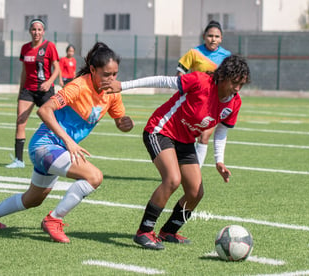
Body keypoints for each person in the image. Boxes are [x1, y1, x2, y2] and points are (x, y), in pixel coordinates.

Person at [0, 42, 135, 244]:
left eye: (115, 74)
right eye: (106, 74)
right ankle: (54, 220)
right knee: (94, 177)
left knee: (32, 199)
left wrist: (125, 124)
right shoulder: (78, 86)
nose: (112, 79)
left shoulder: (113, 93)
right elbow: (44, 110)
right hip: (45, 146)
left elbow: (120, 122)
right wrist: (69, 141)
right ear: (93, 70)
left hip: (55, 150)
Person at [102, 55, 250, 250]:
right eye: (234, 82)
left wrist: (219, 160)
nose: (237, 88)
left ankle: (168, 231)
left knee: (195, 192)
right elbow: (161, 80)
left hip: (185, 141)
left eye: (242, 84)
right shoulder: (200, 81)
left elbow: (222, 129)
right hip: (160, 131)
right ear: (222, 76)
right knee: (172, 179)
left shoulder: (234, 102)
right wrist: (124, 86)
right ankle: (144, 232)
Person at [6, 18, 60, 169]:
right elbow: (24, 71)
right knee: (20, 122)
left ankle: (57, 155)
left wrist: (49, 82)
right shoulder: (25, 48)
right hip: (28, 90)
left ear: (43, 31)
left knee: (52, 123)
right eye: (33, 29)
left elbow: (57, 68)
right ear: (30, 31)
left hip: (45, 91)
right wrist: (20, 91)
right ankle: (19, 160)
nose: (36, 32)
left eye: (39, 30)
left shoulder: (50, 46)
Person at [177, 20, 231, 167]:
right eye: (210, 36)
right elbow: (180, 73)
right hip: (194, 102)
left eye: (216, 36)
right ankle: (181, 166)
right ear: (204, 36)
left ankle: (196, 172)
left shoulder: (227, 56)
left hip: (214, 104)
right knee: (185, 137)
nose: (213, 39)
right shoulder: (194, 53)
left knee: (204, 135)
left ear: (221, 38)